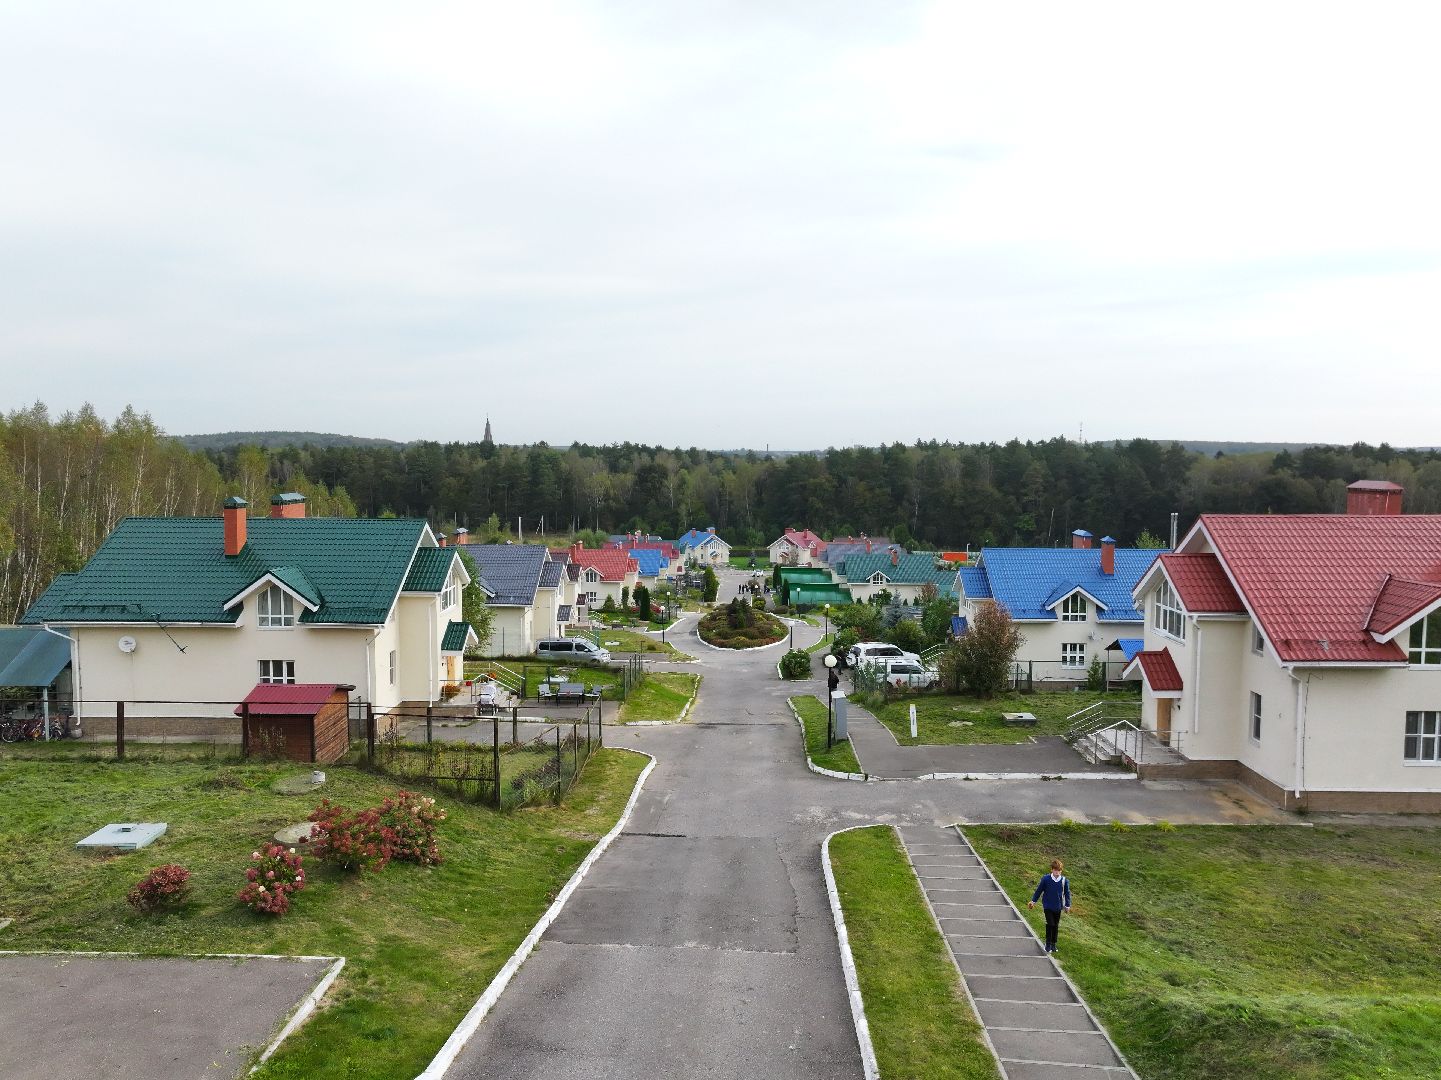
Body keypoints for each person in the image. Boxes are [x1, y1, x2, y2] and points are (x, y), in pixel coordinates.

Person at [1027, 858, 1071, 955]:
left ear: (1061, 870)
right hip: (1047, 906)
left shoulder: (1064, 881)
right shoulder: (1046, 879)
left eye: (1059, 870)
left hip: (1058, 907)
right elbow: (1039, 891)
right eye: (1055, 870)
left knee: (1055, 925)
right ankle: (1047, 943)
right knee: (1050, 924)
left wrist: (1067, 905)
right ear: (1051, 869)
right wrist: (1033, 901)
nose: (1057, 872)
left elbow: (1067, 894)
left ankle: (1053, 944)